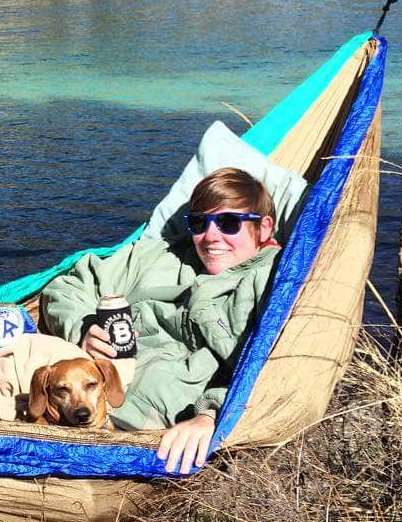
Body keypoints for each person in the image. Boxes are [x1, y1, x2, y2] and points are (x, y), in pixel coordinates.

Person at [41, 167, 280, 474]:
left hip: (138, 427)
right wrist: (83, 327)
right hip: (67, 393)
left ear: (263, 228)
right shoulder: (159, 255)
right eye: (199, 223)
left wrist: (212, 415)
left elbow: (275, 369)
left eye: (228, 223)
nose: (210, 237)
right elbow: (69, 286)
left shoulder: (275, 281)